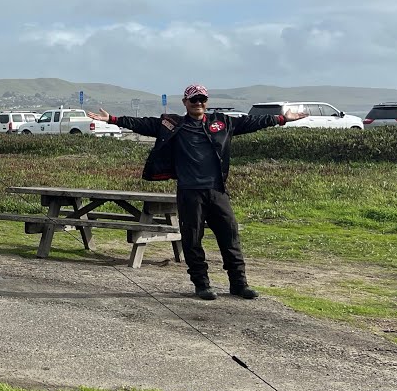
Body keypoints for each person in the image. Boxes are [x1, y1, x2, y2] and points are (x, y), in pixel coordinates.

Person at [86, 84, 306, 301]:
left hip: (217, 191)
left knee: (230, 237)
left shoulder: (222, 122)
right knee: (193, 239)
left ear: (206, 103)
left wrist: (282, 118)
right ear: (185, 102)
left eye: (202, 99)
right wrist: (113, 119)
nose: (199, 103)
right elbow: (143, 123)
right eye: (194, 99)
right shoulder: (172, 124)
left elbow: (252, 122)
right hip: (190, 192)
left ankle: (239, 284)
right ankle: (202, 284)